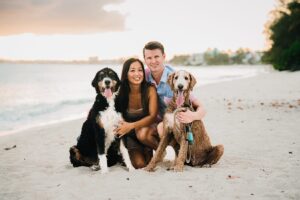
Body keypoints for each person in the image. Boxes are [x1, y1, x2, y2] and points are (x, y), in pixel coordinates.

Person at [143, 41, 206, 137]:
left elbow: (201, 107)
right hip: (156, 118)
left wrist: (193, 116)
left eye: (156, 57)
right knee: (142, 132)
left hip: (175, 122)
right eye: (149, 58)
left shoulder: (176, 79)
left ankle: (175, 150)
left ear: (163, 57)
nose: (153, 61)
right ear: (145, 60)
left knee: (161, 127)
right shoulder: (144, 75)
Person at [115, 58, 159, 169]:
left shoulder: (150, 89)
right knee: (140, 164)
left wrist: (131, 125)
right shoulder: (120, 92)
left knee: (142, 133)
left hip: (146, 133)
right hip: (130, 136)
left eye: (140, 70)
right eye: (132, 70)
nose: (137, 74)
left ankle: (160, 151)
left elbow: (153, 116)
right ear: (126, 74)